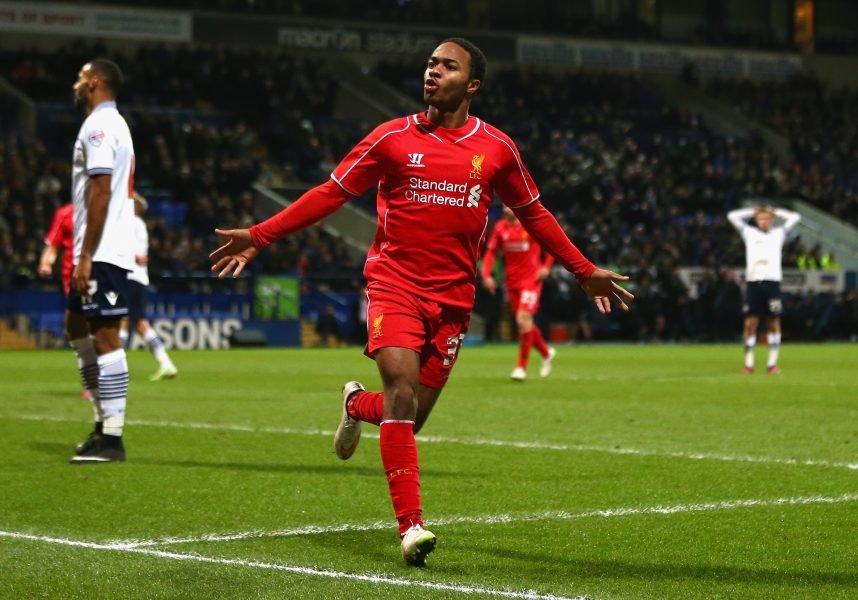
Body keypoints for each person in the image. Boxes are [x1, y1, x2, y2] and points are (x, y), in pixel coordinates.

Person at [210, 38, 632, 566]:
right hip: (394, 286)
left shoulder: (497, 149)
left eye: (447, 66)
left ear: (472, 84)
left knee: (409, 417)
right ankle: (411, 528)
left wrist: (584, 270)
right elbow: (331, 193)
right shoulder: (391, 138)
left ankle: (353, 404)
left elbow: (534, 213)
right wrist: (260, 234)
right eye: (431, 63)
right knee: (402, 394)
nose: (433, 72)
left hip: (453, 299)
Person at [66, 58, 136, 463]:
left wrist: (86, 255)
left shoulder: (99, 126)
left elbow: (102, 190)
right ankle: (100, 423)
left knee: (106, 338)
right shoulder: (113, 123)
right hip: (100, 249)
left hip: (103, 251)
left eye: (80, 77)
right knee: (76, 327)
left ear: (94, 82)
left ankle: (112, 437)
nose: (76, 84)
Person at [480, 205, 556, 381]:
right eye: (504, 206)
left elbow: (552, 243)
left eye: (510, 206)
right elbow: (491, 252)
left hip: (532, 280)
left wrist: (546, 267)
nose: (507, 209)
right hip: (511, 282)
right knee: (524, 323)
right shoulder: (500, 227)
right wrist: (486, 275)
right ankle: (546, 352)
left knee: (523, 319)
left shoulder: (530, 224)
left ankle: (521, 366)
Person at [727, 204, 801, 374]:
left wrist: (776, 210)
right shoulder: (749, 233)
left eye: (766, 218)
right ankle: (749, 363)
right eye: (760, 219)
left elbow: (795, 218)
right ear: (756, 220)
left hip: (772, 284)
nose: (763, 221)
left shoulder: (779, 233)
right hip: (753, 284)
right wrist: (752, 211)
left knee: (773, 322)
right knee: (750, 323)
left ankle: (772, 363)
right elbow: (732, 216)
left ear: (772, 220)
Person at [120, 192, 178, 381]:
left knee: (122, 318)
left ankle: (116, 369)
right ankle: (166, 363)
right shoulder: (140, 224)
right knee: (140, 323)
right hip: (139, 278)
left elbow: (127, 250)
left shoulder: (130, 223)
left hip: (129, 276)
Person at [38, 202, 93, 401]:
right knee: (76, 331)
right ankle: (91, 382)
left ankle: (100, 383)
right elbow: (52, 245)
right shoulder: (66, 213)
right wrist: (46, 263)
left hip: (99, 275)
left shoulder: (105, 207)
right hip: (73, 281)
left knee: (98, 330)